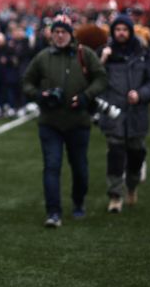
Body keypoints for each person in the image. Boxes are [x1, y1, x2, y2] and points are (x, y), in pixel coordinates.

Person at [22, 14, 107, 227]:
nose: (59, 36)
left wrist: (87, 96)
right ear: (51, 35)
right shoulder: (42, 57)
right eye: (56, 32)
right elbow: (26, 82)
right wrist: (40, 95)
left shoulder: (84, 54)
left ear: (71, 34)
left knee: (80, 168)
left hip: (78, 122)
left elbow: (101, 78)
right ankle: (53, 212)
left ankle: (78, 202)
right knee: (51, 166)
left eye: (63, 32)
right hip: (50, 122)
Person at [97, 14, 150, 213]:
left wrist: (140, 94)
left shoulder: (144, 54)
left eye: (125, 29)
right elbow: (92, 80)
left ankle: (132, 186)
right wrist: (102, 60)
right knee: (115, 156)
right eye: (117, 30)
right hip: (113, 114)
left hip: (136, 114)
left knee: (136, 155)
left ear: (131, 31)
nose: (121, 33)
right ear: (113, 32)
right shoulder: (105, 53)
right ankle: (115, 196)